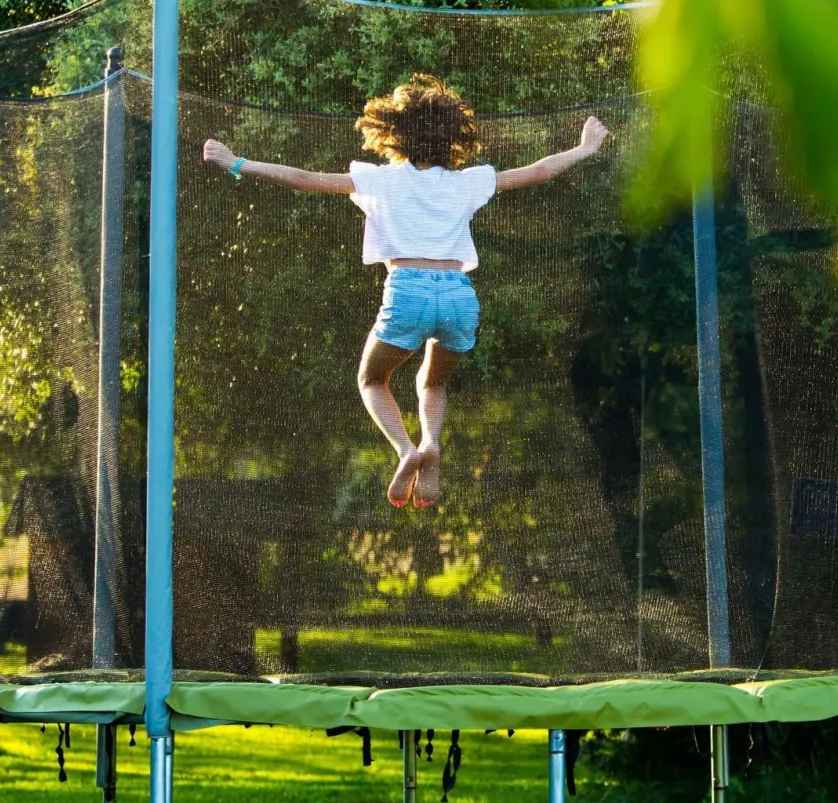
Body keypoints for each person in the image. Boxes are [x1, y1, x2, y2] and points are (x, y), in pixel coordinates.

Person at [202, 74, 609, 509]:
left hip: (408, 290)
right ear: (454, 138)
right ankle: (431, 441)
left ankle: (406, 449)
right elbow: (540, 171)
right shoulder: (466, 182)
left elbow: (302, 177)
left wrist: (237, 162)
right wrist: (584, 148)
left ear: (392, 134)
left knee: (372, 379)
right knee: (433, 384)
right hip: (459, 295)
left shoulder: (379, 179)